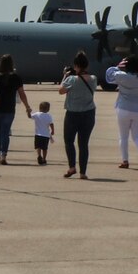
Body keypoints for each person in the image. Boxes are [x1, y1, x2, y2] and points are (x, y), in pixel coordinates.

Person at [106, 53, 138, 171]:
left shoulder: (122, 76)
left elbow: (109, 76)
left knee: (123, 136)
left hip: (124, 108)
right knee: (137, 135)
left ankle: (125, 161)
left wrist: (117, 67)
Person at [59, 51, 97, 179]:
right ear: (86, 65)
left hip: (72, 114)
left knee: (69, 141)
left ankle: (71, 167)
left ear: (76, 65)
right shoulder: (93, 78)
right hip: (89, 114)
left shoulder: (71, 79)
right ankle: (83, 172)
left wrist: (65, 76)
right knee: (83, 143)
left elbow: (61, 91)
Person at [0, 55, 30, 166]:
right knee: (5, 133)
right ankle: (4, 155)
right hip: (9, 109)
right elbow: (22, 94)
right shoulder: (16, 77)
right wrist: (27, 106)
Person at [30, 101, 55, 165]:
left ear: (39, 108)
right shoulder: (49, 116)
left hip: (38, 134)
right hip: (46, 135)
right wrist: (52, 130)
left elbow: (30, 116)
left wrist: (28, 111)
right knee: (45, 148)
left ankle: (39, 155)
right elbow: (51, 124)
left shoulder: (36, 114)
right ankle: (44, 159)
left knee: (38, 147)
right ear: (48, 109)